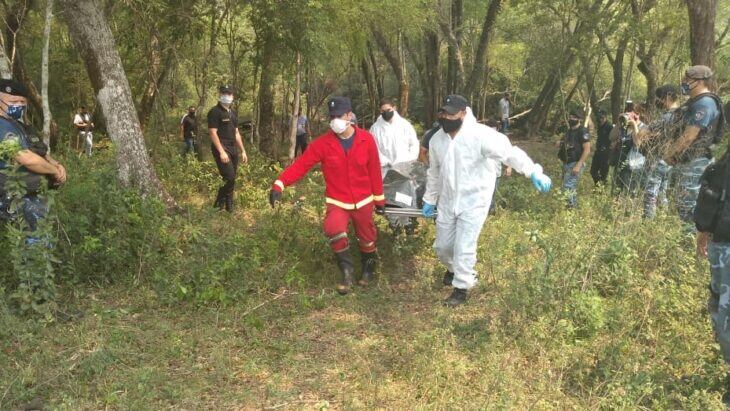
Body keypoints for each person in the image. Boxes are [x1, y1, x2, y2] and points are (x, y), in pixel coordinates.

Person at [422, 95, 552, 307]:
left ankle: (461, 288)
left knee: (464, 244)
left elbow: (509, 154)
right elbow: (434, 172)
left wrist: (533, 171)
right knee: (443, 247)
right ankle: (454, 269)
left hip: (475, 199)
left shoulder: (481, 136)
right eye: (444, 112)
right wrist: (429, 198)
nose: (447, 117)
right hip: (447, 200)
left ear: (463, 113)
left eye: (451, 113)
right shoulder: (437, 140)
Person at [269, 97, 385, 295]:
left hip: (363, 199)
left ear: (349, 115)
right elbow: (301, 165)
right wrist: (279, 184)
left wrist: (379, 198)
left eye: (338, 116)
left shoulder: (367, 139)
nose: (334, 120)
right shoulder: (323, 143)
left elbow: (374, 169)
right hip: (338, 200)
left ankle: (368, 268)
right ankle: (347, 271)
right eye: (331, 117)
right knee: (333, 229)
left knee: (367, 237)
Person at [0, 79, 66, 242]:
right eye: (13, 101)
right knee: (34, 245)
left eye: (22, 102)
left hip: (32, 194)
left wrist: (56, 164)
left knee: (40, 241)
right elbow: (26, 158)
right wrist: (54, 171)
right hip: (15, 197)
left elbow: (38, 151)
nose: (19, 105)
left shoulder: (19, 125)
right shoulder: (1, 127)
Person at [664, 65, 724, 231]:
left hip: (696, 161)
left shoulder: (705, 103)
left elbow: (689, 135)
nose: (683, 83)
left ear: (699, 82)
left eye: (687, 80)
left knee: (688, 205)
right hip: (688, 159)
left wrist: (670, 154)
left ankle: (690, 243)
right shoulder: (694, 102)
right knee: (682, 203)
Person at [694, 144, 730, 404]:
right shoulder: (721, 166)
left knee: (725, 314)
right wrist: (704, 232)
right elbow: (713, 196)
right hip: (721, 243)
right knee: (718, 304)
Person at [635, 85, 681, 218]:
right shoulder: (682, 114)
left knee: (651, 193)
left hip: (660, 159)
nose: (657, 102)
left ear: (667, 97)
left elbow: (643, 134)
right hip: (671, 160)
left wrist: (637, 126)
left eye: (658, 98)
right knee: (662, 192)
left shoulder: (668, 116)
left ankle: (648, 223)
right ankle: (662, 219)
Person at [207, 84, 248, 212]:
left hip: (233, 147)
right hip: (221, 146)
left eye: (229, 94)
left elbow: (236, 133)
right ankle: (219, 202)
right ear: (220, 95)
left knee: (232, 177)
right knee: (229, 176)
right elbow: (213, 133)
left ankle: (228, 204)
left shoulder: (233, 113)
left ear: (232, 96)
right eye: (224, 93)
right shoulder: (214, 112)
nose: (227, 96)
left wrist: (243, 150)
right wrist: (221, 152)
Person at [369, 98, 419, 179]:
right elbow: (374, 148)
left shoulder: (405, 125)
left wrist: (410, 159)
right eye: (383, 111)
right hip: (384, 170)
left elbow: (414, 143)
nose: (386, 113)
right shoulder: (375, 128)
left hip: (405, 168)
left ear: (394, 108)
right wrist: (385, 162)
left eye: (388, 110)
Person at [557, 112, 591, 208]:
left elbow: (587, 149)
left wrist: (579, 165)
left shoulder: (583, 131)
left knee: (568, 186)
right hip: (566, 163)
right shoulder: (568, 132)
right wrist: (560, 143)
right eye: (570, 116)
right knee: (569, 187)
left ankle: (570, 209)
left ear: (579, 119)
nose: (571, 119)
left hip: (576, 163)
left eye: (574, 117)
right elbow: (565, 144)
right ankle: (574, 208)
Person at [610, 111, 644, 196]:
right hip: (620, 163)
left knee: (631, 194)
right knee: (615, 192)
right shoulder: (623, 127)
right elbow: (611, 137)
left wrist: (634, 126)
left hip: (633, 167)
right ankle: (614, 208)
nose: (627, 119)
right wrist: (618, 123)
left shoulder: (642, 127)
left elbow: (638, 144)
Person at [590, 111, 613, 185]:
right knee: (593, 171)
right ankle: (598, 185)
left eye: (602, 118)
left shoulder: (610, 127)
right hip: (598, 151)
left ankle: (601, 189)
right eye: (599, 118)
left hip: (606, 153)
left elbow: (613, 139)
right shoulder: (600, 125)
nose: (601, 120)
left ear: (605, 117)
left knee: (603, 173)